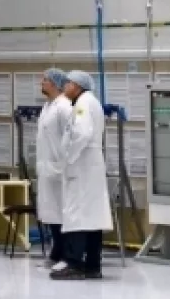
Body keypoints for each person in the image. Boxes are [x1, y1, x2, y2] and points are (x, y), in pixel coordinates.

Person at [52, 70, 113, 281]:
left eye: (67, 83)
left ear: (77, 86)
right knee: (91, 218)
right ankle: (92, 266)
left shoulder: (83, 104)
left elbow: (82, 133)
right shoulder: (89, 102)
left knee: (77, 216)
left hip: (82, 165)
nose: (64, 86)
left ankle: (75, 263)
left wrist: (70, 156)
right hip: (89, 165)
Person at [35, 68, 71, 272]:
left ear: (56, 84)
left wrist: (64, 162)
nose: (42, 82)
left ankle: (65, 255)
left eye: (45, 80)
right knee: (51, 214)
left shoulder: (64, 107)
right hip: (47, 168)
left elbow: (72, 136)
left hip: (60, 169)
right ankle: (55, 254)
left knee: (61, 215)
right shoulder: (48, 106)